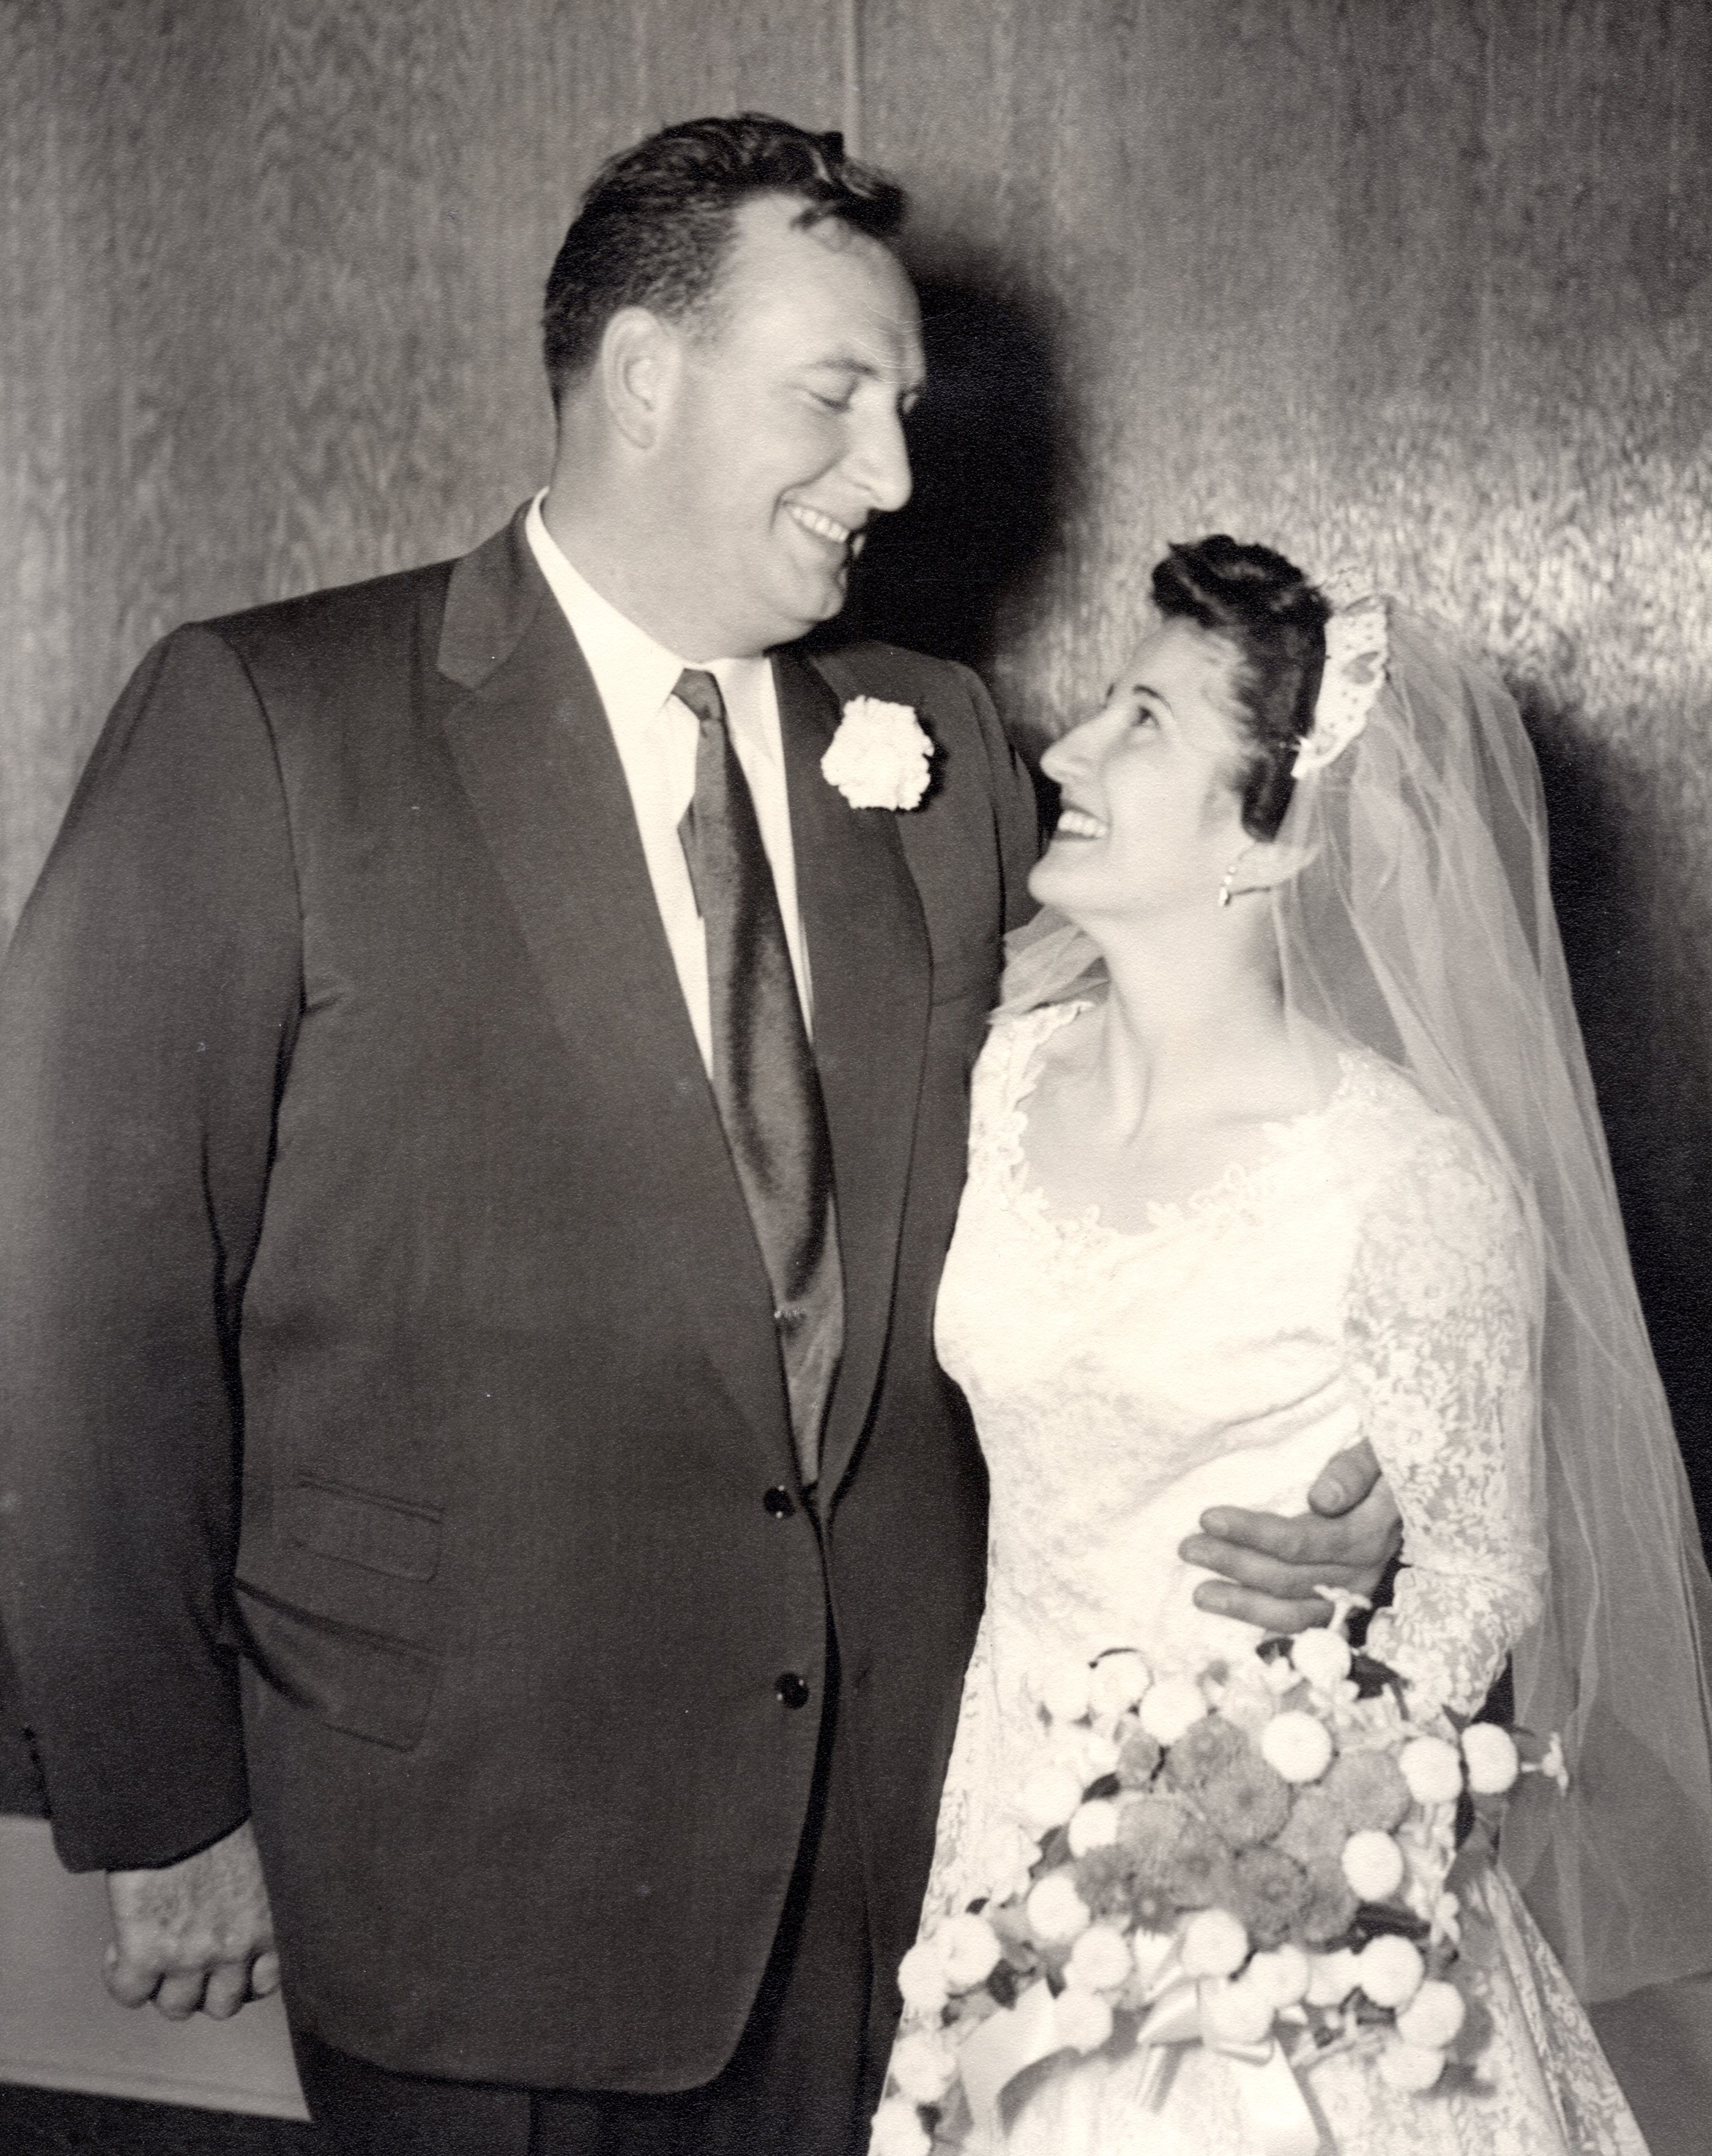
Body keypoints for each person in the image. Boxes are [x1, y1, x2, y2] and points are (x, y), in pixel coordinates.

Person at [0, 127, 1397, 2156]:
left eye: (905, 408)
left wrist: (1338, 1470)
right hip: (465, 1853)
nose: (891, 474)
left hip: (911, 1868)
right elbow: (78, 1309)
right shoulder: (269, 721)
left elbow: (1167, 1151)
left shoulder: (938, 745)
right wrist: (160, 1803)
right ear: (643, 377)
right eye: (834, 397)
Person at [879, 538, 1712, 2152]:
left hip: (1266, 1876)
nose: (1066, 754)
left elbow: (1479, 1578)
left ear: (1275, 839)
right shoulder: (999, 1076)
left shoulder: (1402, 1177)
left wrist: (1279, 1827)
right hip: (1001, 1798)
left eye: (1141, 723)